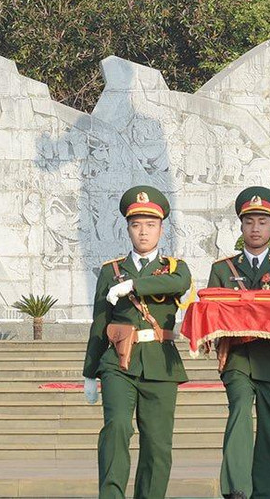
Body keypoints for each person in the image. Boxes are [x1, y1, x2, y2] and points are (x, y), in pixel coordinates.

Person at [82, 187, 192, 499]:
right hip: (118, 362)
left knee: (157, 444)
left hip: (160, 363)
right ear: (128, 228)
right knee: (116, 428)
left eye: (150, 225)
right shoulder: (111, 271)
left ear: (161, 228)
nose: (143, 232)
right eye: (136, 225)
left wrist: (134, 285)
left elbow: (179, 284)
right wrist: (89, 372)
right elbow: (99, 323)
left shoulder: (175, 268)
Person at [206, 187, 270, 499]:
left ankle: (265, 493)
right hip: (237, 356)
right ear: (240, 226)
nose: (255, 228)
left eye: (262, 221)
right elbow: (213, 312)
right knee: (238, 409)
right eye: (249, 221)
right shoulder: (222, 269)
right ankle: (236, 487)